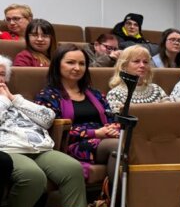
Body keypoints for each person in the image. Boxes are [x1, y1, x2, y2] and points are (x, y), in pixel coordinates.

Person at [0, 56, 105, 207]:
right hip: (9, 150)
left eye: (1, 74)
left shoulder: (15, 100)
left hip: (40, 147)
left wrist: (15, 99)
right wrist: (4, 102)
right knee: (32, 176)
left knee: (71, 168)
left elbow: (48, 118)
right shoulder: (4, 101)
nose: (0, 79)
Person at [35, 45, 119, 179]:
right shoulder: (47, 96)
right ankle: (117, 193)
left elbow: (112, 117)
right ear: (57, 65)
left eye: (82, 63)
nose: (77, 68)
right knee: (118, 146)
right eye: (70, 62)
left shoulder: (95, 93)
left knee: (131, 144)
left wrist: (112, 129)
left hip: (103, 139)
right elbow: (53, 130)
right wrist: (95, 133)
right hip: (72, 144)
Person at [107, 46, 169, 114]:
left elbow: (171, 112)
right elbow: (116, 119)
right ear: (124, 66)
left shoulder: (157, 89)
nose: (142, 65)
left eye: (145, 62)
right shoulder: (115, 94)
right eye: (136, 61)